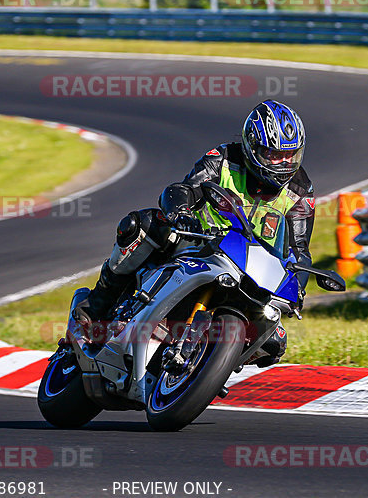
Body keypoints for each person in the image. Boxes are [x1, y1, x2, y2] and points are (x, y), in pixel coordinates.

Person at [73, 100, 315, 366]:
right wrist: (181, 213)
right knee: (141, 225)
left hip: (253, 271)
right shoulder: (223, 159)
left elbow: (299, 251)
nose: (282, 163)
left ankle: (209, 364)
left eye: (290, 155)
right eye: (273, 155)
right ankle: (98, 304)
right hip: (198, 242)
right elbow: (184, 189)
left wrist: (296, 290)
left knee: (274, 343)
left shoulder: (301, 190)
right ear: (252, 147)